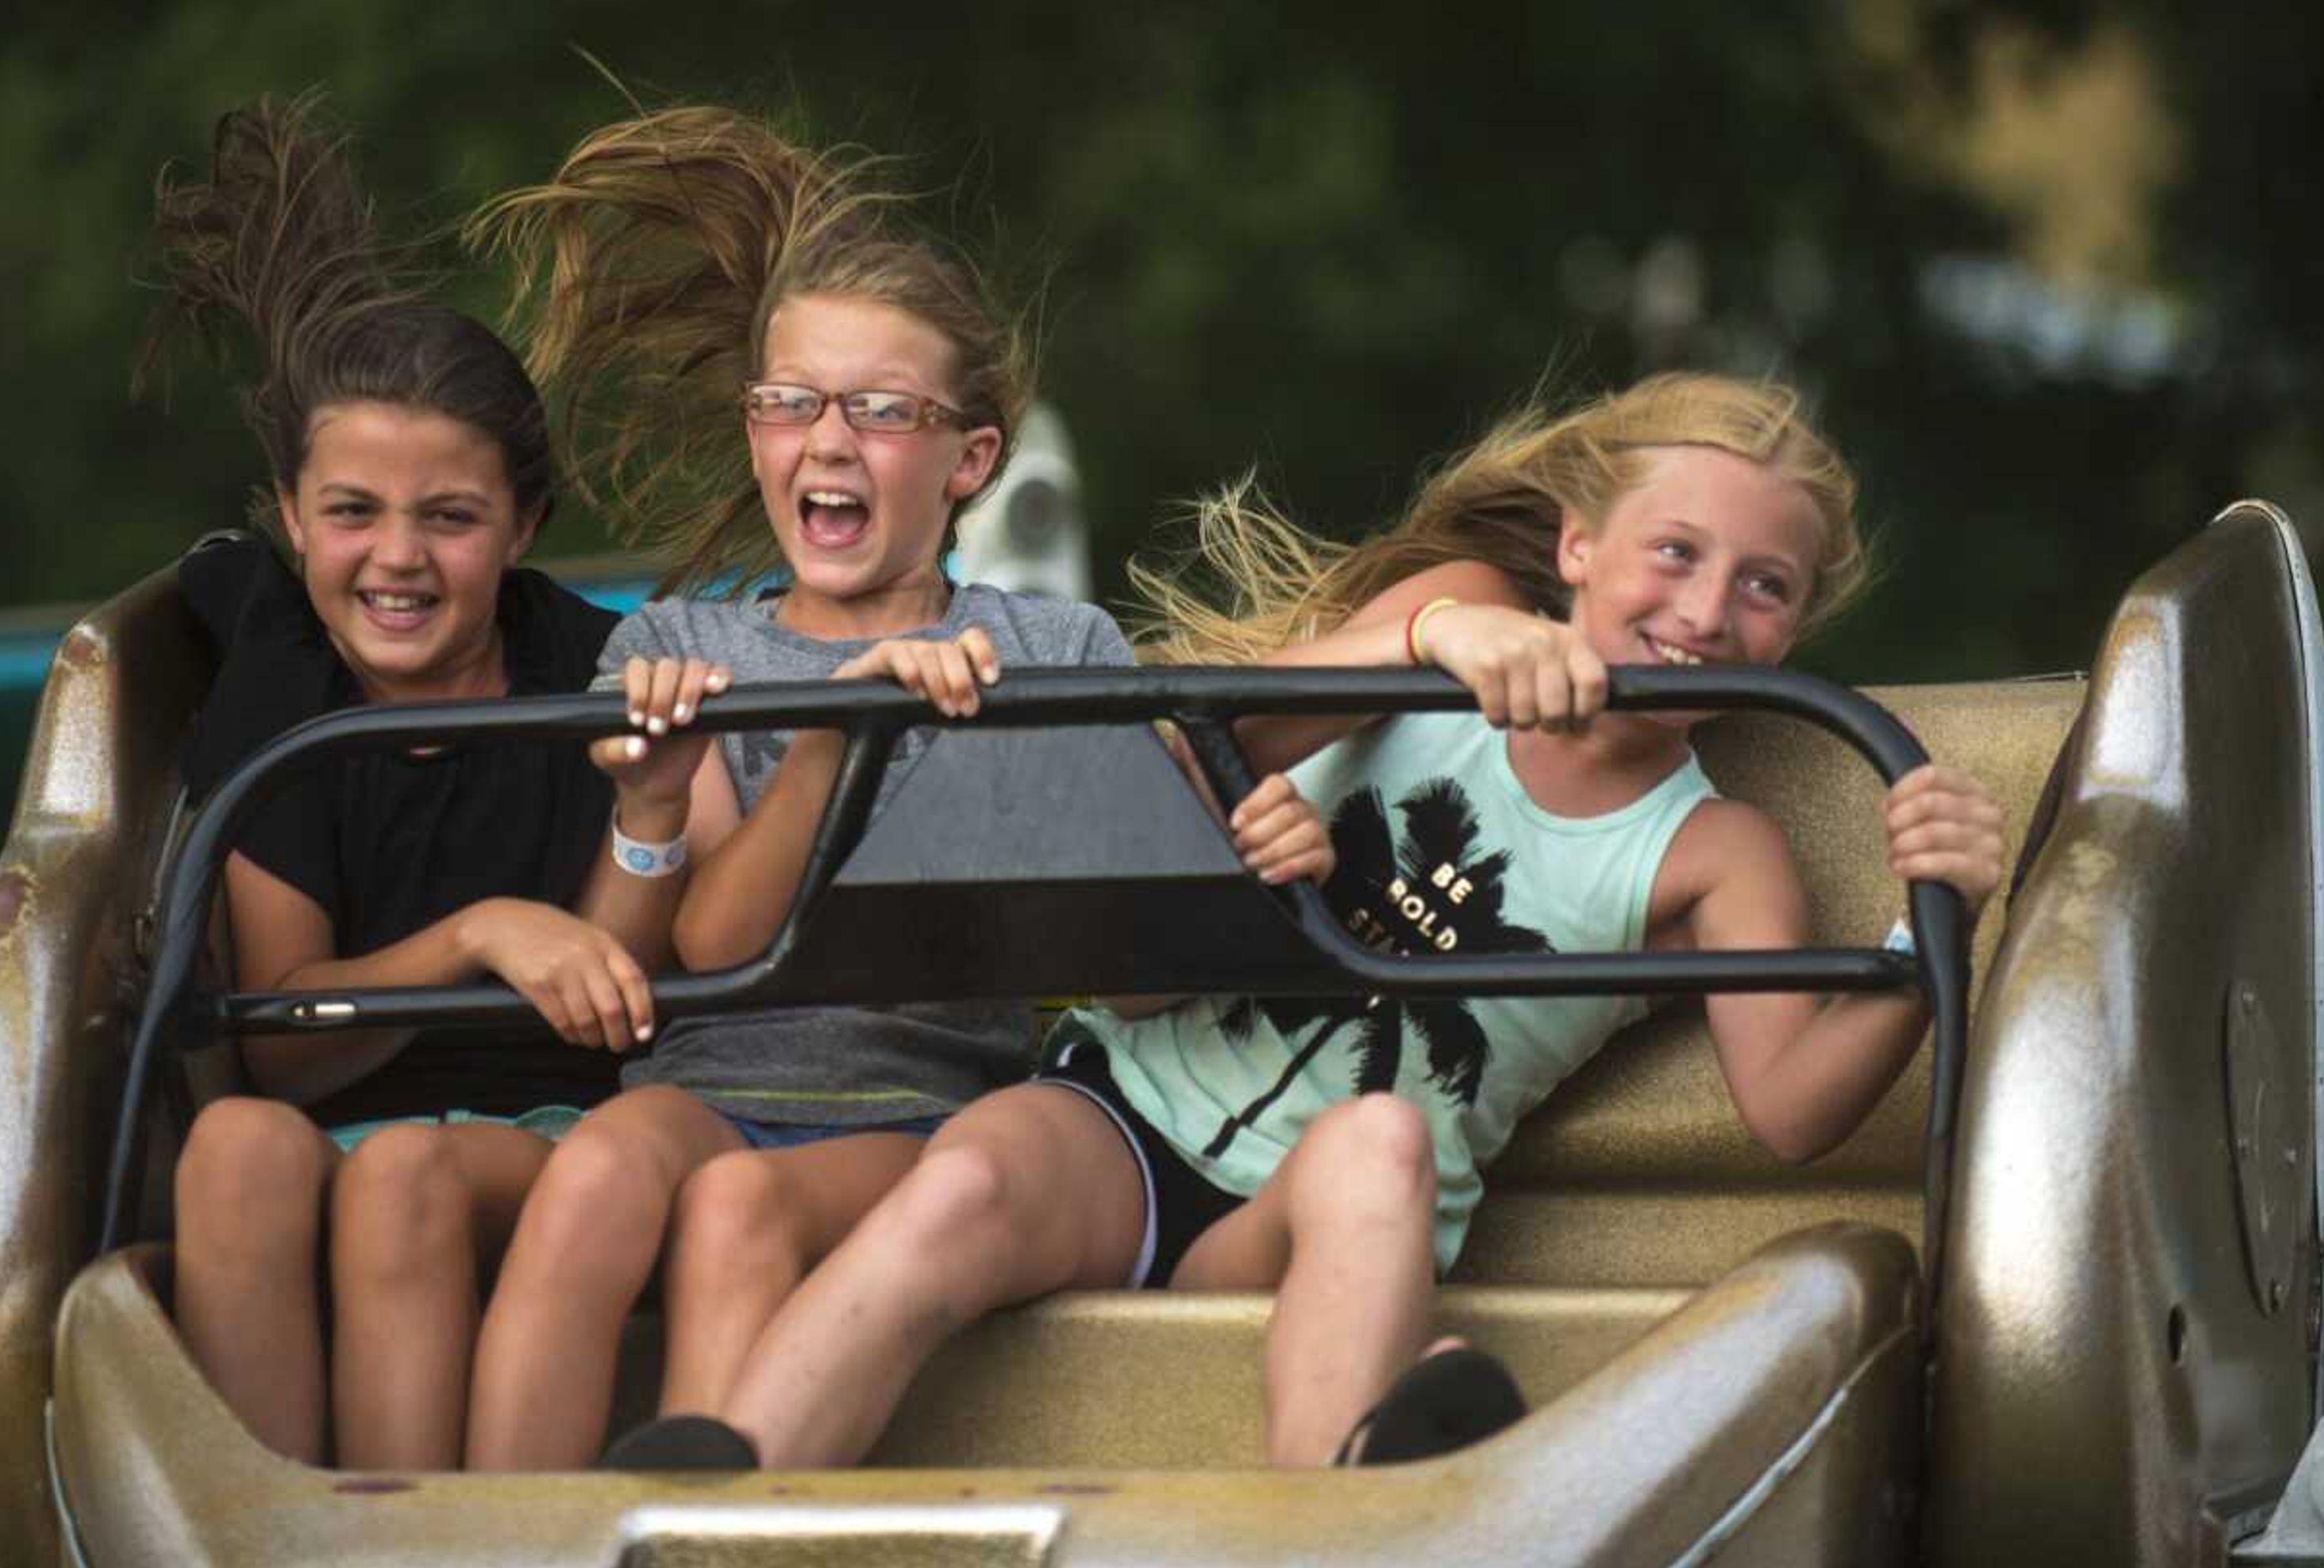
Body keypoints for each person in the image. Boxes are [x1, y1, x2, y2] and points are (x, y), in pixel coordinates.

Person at [634, 372, 2009, 1472]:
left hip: (1301, 1218)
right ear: (1581, 549)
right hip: (1127, 1120)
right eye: (1674, 553)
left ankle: (1333, 1505)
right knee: (967, 1179)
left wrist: (1920, 933)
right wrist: (1413, 659)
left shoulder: (1716, 850)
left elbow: (1791, 1111)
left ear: (1797, 626)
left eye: (1764, 587)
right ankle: (728, 1482)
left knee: (1381, 1138)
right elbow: (1194, 748)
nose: (1705, 610)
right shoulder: (1447, 621)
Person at [449, 106, 1333, 1470]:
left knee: (740, 1203)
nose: (829, 440)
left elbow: (1139, 985)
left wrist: (1232, 855)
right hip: (705, 1076)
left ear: (968, 460)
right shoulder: (683, 647)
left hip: (920, 1107)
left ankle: (689, 1528)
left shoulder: (1055, 651)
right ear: (758, 436)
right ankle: (493, 1550)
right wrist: (839, 732)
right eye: (792, 401)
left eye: (881, 410)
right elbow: (718, 950)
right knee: (597, 1174)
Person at [147, 100, 709, 1470]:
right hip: (340, 1115)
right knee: (230, 1148)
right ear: (292, 518)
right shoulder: (286, 696)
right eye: (351, 513)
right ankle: (267, 1556)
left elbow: (608, 1019)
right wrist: (475, 937)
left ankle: (409, 1556)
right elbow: (283, 1042)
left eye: (448, 519)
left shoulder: (597, 667)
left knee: (399, 1177)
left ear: (519, 525)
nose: (395, 559)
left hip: (558, 1121)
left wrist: (642, 829)